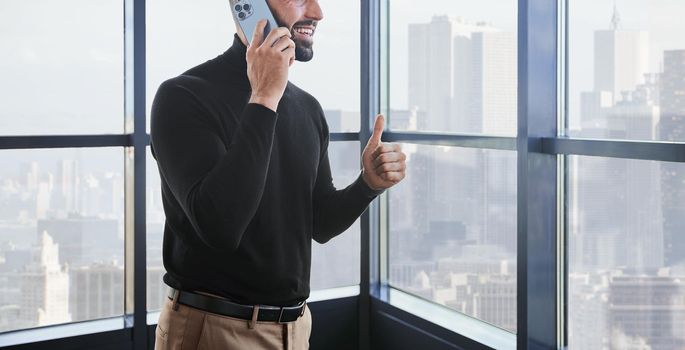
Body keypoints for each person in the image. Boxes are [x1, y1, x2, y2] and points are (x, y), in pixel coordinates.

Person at [149, 0, 407, 348]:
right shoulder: (183, 95)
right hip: (214, 330)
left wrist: (367, 185)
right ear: (250, 6)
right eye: (301, 0)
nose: (317, 13)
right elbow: (220, 226)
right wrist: (265, 96)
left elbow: (319, 223)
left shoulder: (307, 108)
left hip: (295, 329)